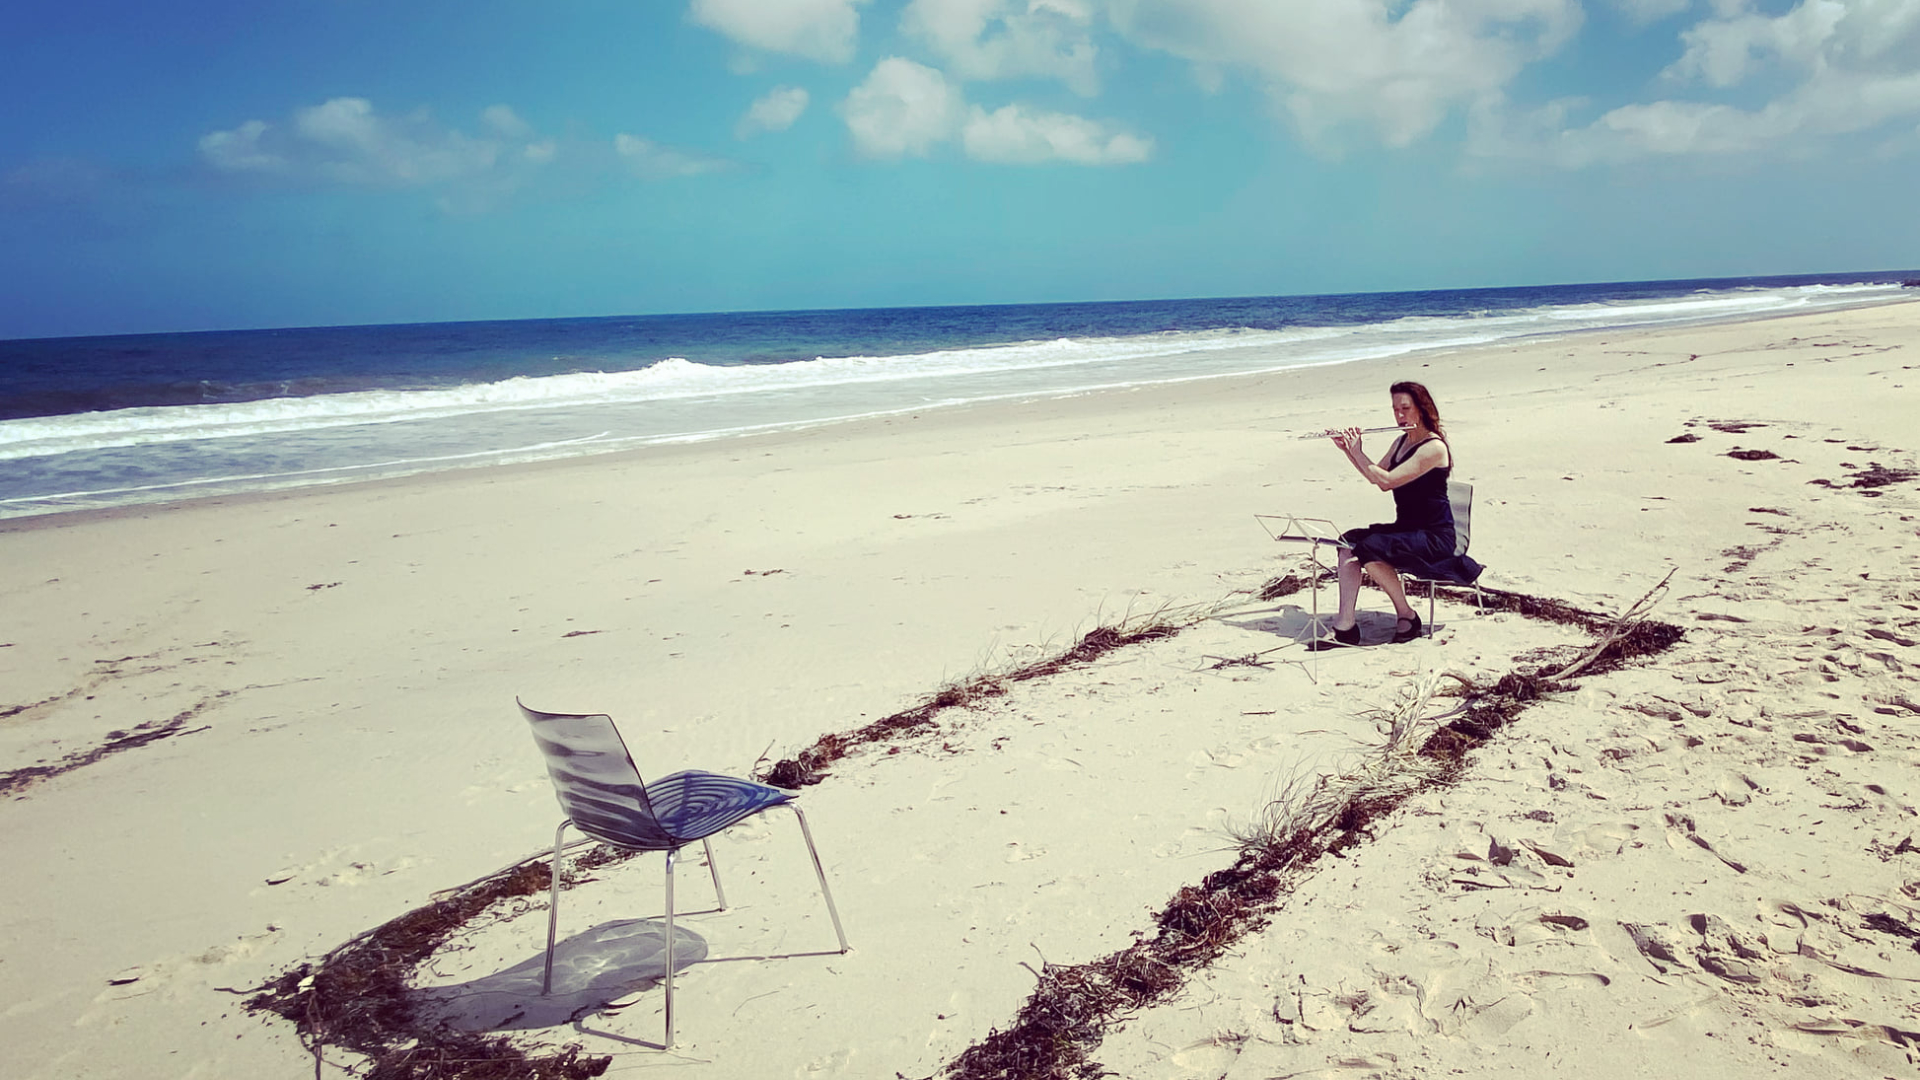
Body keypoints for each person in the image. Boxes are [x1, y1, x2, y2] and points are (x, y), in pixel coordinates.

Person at [1311, 381, 1483, 649]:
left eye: (1405, 408)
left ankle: (1407, 615)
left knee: (1369, 548)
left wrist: (1358, 450)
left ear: (1422, 408)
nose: (1400, 416)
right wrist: (1347, 449)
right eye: (1395, 410)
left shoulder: (1434, 448)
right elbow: (1374, 477)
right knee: (1347, 543)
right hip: (1407, 528)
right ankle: (1345, 627)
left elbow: (1388, 480)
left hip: (1434, 535)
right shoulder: (1401, 441)